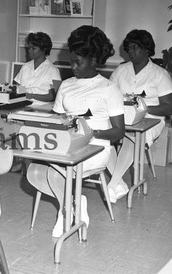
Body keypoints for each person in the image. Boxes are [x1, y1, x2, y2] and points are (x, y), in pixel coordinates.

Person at [27, 26, 125, 238]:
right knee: (35, 169)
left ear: (93, 61)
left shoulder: (109, 88)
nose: (72, 67)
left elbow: (118, 131)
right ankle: (72, 205)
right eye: (71, 61)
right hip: (68, 145)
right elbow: (57, 120)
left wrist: (91, 133)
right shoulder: (66, 85)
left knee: (54, 169)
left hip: (96, 148)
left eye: (77, 62)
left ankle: (66, 211)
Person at [107, 29, 172, 202]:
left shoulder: (160, 74)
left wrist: (143, 108)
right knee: (100, 136)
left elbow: (168, 108)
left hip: (151, 120)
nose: (131, 52)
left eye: (135, 48)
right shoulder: (121, 71)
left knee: (131, 136)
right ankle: (119, 183)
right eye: (129, 48)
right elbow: (108, 96)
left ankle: (113, 184)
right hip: (122, 118)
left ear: (147, 50)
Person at [14, 32, 61, 102]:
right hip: (23, 104)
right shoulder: (25, 67)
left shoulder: (53, 70)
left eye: (33, 48)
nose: (29, 51)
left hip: (41, 107)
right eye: (29, 48)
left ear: (44, 49)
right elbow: (17, 88)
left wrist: (31, 96)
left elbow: (52, 96)